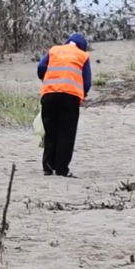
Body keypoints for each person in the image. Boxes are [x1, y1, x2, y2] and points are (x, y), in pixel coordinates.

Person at [36, 33, 92, 177]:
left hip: (49, 94)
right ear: (82, 47)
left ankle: (48, 167)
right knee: (66, 133)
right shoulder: (83, 56)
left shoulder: (54, 50)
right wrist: (82, 93)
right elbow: (87, 82)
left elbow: (41, 67)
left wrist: (49, 80)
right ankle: (61, 169)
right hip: (70, 97)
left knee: (50, 132)